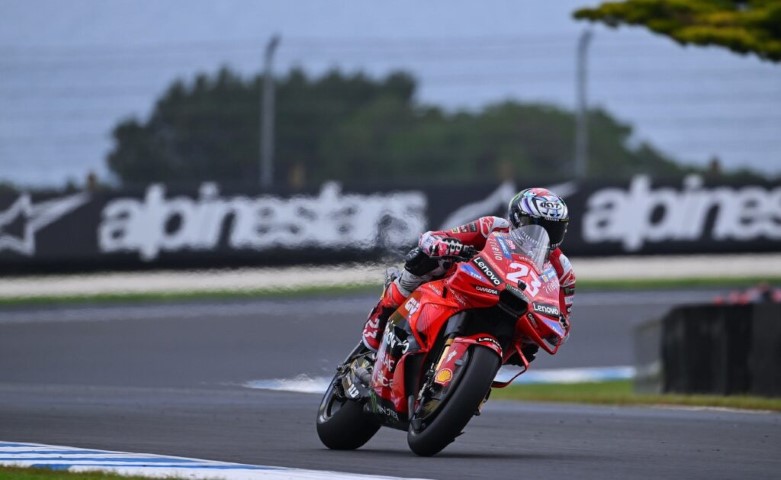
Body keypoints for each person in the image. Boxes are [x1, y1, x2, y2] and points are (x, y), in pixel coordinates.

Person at [361, 187, 576, 355]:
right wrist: (442, 245)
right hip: (472, 281)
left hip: (514, 310)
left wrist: (555, 326)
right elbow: (437, 237)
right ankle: (381, 317)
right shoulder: (493, 226)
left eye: (551, 229)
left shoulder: (563, 271)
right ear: (517, 219)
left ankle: (471, 383)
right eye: (534, 226)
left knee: (531, 346)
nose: (540, 235)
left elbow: (562, 323)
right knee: (423, 260)